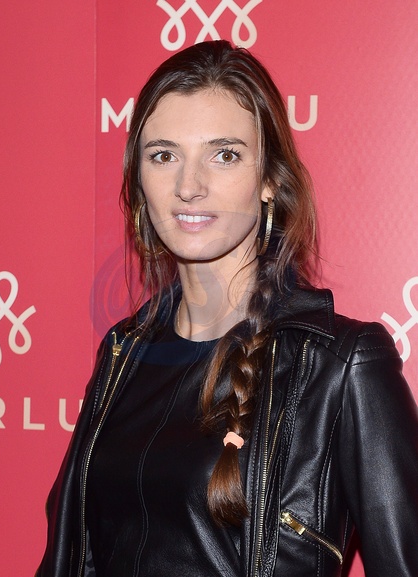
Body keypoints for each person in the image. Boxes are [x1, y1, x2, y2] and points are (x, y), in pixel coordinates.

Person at [36, 40, 418, 577]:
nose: (189, 187)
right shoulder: (123, 354)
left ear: (270, 180)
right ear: (139, 179)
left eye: (224, 155)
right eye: (163, 155)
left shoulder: (341, 365)